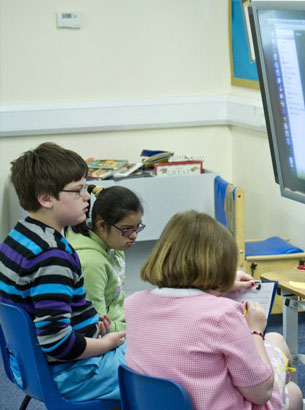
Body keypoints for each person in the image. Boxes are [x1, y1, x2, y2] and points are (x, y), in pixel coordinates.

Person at [124, 211, 303, 410]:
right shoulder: (223, 314)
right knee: (292, 388)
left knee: (275, 344)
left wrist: (218, 287)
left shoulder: (133, 304)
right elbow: (261, 393)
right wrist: (255, 331)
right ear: (219, 265)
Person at [0, 142, 126, 403]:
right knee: (159, 364)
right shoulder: (51, 256)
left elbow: (44, 311)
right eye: (78, 190)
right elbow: (56, 343)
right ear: (46, 198)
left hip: (28, 368)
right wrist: (105, 344)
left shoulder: (18, 237)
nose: (87, 196)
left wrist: (88, 325)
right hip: (71, 373)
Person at [66, 184, 144, 332]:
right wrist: (132, 329)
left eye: (137, 227)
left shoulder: (114, 247)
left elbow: (114, 301)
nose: (134, 235)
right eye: (127, 229)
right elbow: (96, 326)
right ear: (101, 225)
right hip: (102, 337)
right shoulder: (92, 264)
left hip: (116, 322)